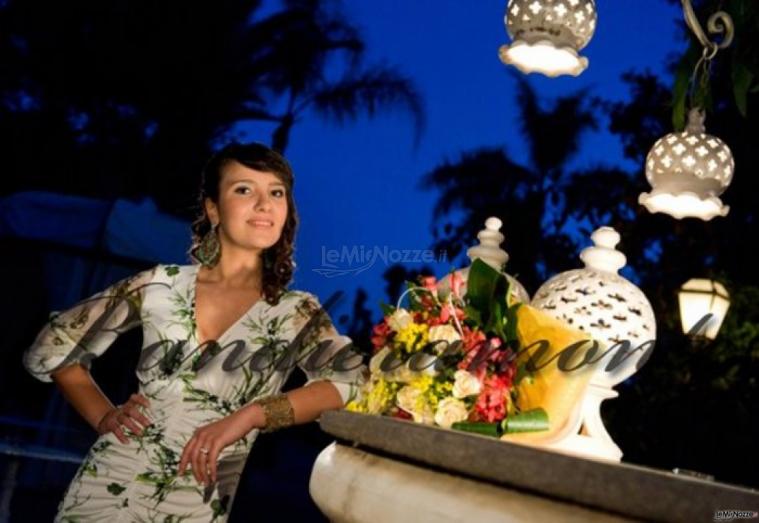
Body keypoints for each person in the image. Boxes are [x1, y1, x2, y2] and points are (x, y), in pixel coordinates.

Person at [22, 142, 366, 522]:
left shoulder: (296, 312)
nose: (264, 203)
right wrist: (104, 416)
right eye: (244, 189)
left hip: (194, 503)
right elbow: (55, 346)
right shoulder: (158, 285)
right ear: (212, 209)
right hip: (108, 484)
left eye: (276, 192)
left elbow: (350, 382)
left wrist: (252, 414)